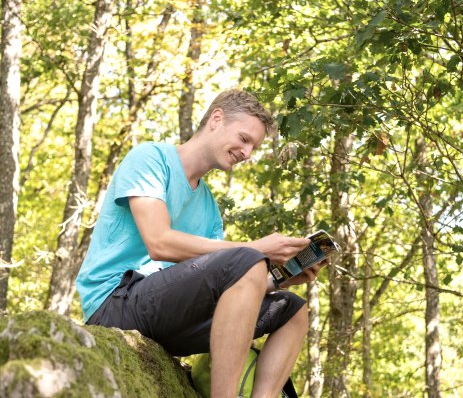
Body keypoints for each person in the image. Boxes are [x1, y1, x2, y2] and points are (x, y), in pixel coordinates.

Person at [76, 89, 325, 398]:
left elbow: (226, 287)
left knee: (292, 310)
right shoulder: (151, 158)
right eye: (245, 139)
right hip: (115, 303)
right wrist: (255, 249)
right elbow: (159, 242)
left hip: (169, 320)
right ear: (216, 119)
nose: (247, 153)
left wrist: (278, 279)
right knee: (244, 259)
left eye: (254, 147)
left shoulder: (208, 208)